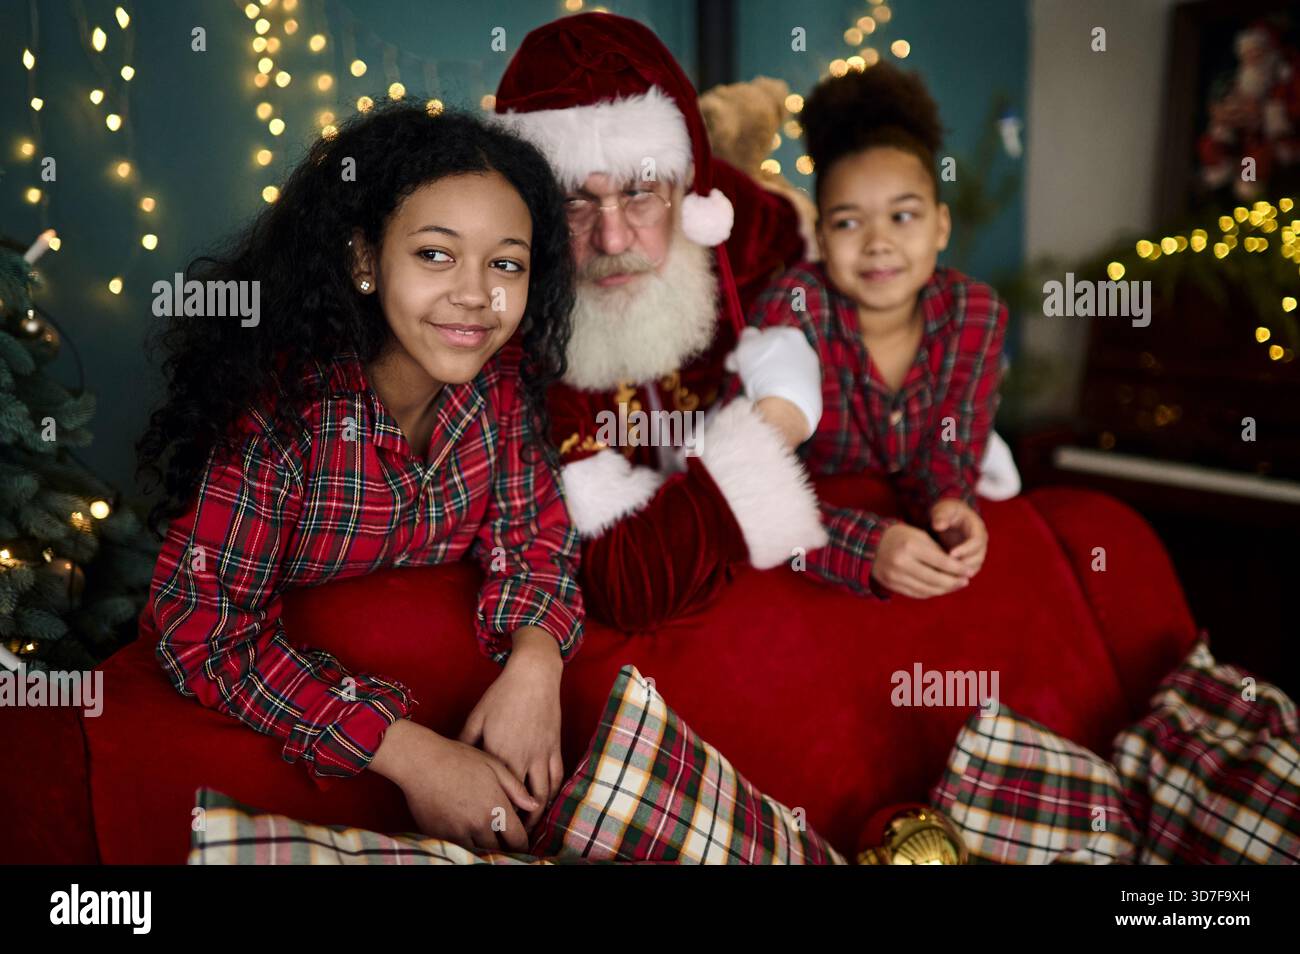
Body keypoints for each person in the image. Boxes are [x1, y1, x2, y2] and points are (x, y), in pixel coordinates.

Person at [134, 102, 582, 851]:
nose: (476, 294)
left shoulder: (500, 388)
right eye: (435, 255)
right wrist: (419, 759)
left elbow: (536, 537)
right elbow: (200, 627)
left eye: (506, 263)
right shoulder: (280, 416)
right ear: (366, 261)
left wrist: (537, 663)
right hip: (293, 768)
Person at [494, 12, 827, 632]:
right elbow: (628, 584)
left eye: (641, 192)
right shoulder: (518, 340)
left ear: (688, 191)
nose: (614, 236)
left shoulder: (745, 231)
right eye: (574, 201)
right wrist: (771, 427)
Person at [742, 63, 1009, 600]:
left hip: (915, 550)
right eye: (848, 222)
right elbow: (745, 479)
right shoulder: (795, 308)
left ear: (941, 225)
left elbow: (950, 447)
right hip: (811, 556)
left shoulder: (973, 313)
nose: (877, 243)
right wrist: (865, 546)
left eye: (902, 217)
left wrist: (951, 503)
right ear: (820, 235)